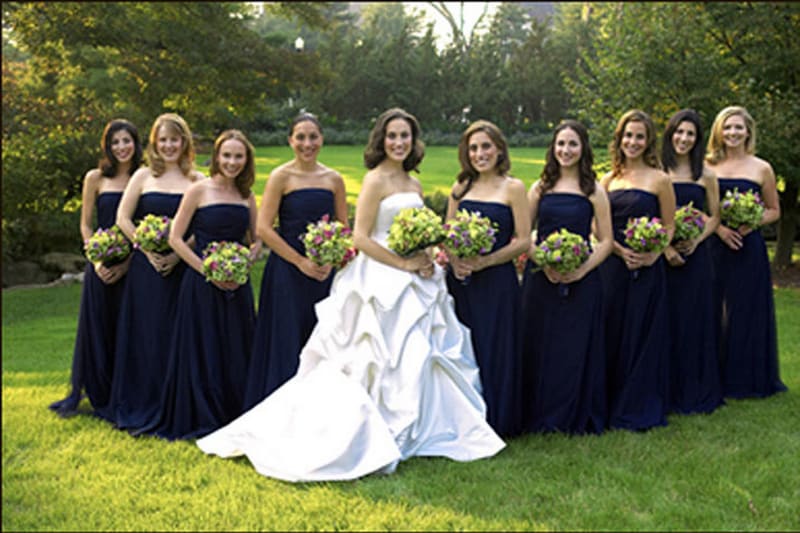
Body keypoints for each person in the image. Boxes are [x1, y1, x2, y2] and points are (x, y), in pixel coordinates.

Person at [197, 108, 505, 482]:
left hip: (417, 277)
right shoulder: (374, 180)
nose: (398, 142)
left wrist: (425, 257)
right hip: (379, 276)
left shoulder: (413, 183)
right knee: (372, 355)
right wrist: (403, 264)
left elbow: (419, 231)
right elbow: (360, 237)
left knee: (422, 351)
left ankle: (424, 423)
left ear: (413, 141)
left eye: (405, 136)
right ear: (381, 140)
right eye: (392, 136)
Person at [136, 130, 260, 440]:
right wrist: (208, 269)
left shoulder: (246, 196)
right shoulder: (198, 190)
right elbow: (176, 239)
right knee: (204, 348)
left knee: (235, 347)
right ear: (217, 156)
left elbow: (257, 240)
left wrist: (244, 262)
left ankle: (234, 411)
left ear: (246, 160)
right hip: (201, 284)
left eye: (238, 156)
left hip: (237, 285)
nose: (232, 162)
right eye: (227, 155)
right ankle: (202, 410)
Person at [99, 113, 203, 429]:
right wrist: (146, 248)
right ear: (155, 143)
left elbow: (203, 224)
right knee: (147, 334)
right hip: (146, 270)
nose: (169, 146)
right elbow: (123, 218)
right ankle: (143, 397)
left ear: (184, 142)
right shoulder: (143, 176)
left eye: (175, 139)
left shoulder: (197, 179)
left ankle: (177, 400)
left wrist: (177, 254)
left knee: (178, 334)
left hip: (182, 269)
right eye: (163, 140)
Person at [243, 113, 347, 410]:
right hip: (287, 272)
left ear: (322, 139)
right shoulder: (281, 177)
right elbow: (263, 228)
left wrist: (331, 259)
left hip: (323, 273)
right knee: (286, 338)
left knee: (320, 335)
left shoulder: (334, 179)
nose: (307, 143)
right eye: (300, 137)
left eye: (313, 136)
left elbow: (343, 228)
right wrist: (300, 262)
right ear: (290, 140)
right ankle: (282, 408)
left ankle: (318, 407)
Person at [520, 120, 613, 434]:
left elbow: (607, 241)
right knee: (540, 343)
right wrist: (544, 262)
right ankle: (537, 412)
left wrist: (582, 269)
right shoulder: (540, 188)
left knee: (573, 347)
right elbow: (523, 236)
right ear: (553, 148)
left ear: (583, 148)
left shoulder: (594, 191)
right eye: (561, 144)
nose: (566, 150)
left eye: (573, 144)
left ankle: (572, 412)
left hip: (582, 280)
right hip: (541, 279)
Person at [49, 119, 142, 417]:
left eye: (126, 140)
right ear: (107, 146)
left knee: (130, 329)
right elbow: (86, 225)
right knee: (100, 327)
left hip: (135, 266)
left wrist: (127, 265)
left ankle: (128, 390)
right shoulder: (95, 178)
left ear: (136, 143)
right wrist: (97, 260)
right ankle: (100, 390)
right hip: (100, 266)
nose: (121, 147)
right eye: (115, 142)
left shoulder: (144, 177)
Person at [444, 120, 530, 437]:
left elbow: (524, 240)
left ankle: (499, 418)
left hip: (497, 282)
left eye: (486, 146)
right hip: (462, 281)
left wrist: (486, 262)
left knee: (497, 347)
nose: (480, 153)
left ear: (499, 149)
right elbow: (447, 233)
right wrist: (456, 262)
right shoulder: (460, 187)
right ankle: (464, 418)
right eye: (474, 148)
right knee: (464, 346)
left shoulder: (513, 188)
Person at [599, 109, 675, 431]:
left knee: (642, 331)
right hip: (613, 267)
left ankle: (638, 399)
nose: (633, 142)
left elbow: (669, 226)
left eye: (639, 137)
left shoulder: (660, 180)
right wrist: (619, 250)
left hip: (647, 267)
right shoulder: (607, 180)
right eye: (628, 136)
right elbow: (597, 227)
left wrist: (653, 253)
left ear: (648, 141)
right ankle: (609, 399)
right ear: (619, 139)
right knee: (612, 330)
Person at [705, 105, 786, 398]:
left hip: (747, 245)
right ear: (718, 131)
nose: (733, 132)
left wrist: (751, 221)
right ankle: (712, 375)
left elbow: (774, 210)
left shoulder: (761, 168)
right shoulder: (706, 166)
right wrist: (719, 230)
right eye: (727, 127)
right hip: (714, 244)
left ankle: (745, 378)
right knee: (712, 308)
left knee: (746, 309)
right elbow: (698, 208)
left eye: (738, 127)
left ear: (748, 131)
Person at [661, 109, 724, 414]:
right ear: (670, 134)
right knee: (663, 320)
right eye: (679, 132)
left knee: (692, 320)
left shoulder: (706, 175)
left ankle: (693, 386)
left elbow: (714, 216)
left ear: (698, 140)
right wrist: (665, 248)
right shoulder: (658, 170)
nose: (683, 139)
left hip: (695, 258)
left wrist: (697, 239)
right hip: (660, 258)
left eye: (690, 134)